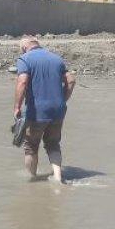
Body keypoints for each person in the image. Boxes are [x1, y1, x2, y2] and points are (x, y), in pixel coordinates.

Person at [13, 35, 76, 183]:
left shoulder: (25, 59)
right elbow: (71, 80)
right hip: (58, 111)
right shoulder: (56, 58)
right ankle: (58, 178)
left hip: (37, 111)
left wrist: (17, 107)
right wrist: (63, 99)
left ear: (24, 47)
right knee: (53, 144)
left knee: (31, 146)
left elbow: (22, 82)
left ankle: (33, 180)